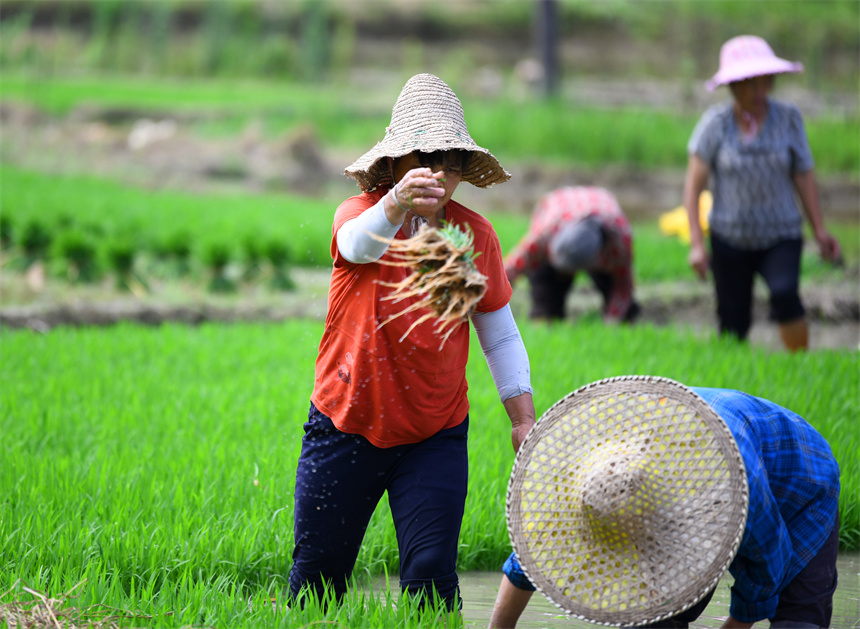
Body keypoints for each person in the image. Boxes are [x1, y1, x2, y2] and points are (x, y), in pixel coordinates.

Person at [288, 73, 537, 612]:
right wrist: (397, 204)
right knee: (316, 581)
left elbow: (498, 330)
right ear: (397, 164)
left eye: (450, 163)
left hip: (434, 432)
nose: (439, 175)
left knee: (429, 579)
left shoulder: (474, 236)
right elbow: (357, 248)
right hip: (346, 423)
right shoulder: (361, 215)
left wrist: (522, 418)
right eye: (426, 160)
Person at [488, 378, 840, 629]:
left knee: (798, 620)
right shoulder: (601, 475)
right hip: (680, 498)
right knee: (648, 615)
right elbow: (529, 563)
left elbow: (769, 562)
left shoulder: (727, 481)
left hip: (800, 486)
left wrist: (735, 623)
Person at [683, 35, 842, 351]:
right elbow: (693, 188)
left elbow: (804, 176)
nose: (760, 92)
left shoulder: (788, 118)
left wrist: (819, 230)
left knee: (785, 295)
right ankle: (733, 387)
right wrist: (697, 245)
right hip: (729, 239)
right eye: (751, 84)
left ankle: (801, 366)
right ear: (734, 86)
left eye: (766, 82)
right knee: (732, 320)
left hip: (780, 234)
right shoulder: (715, 125)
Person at [504, 186, 639, 324]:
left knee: (621, 306)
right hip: (559, 211)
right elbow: (512, 268)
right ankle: (546, 319)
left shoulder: (619, 243)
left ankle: (625, 321)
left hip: (603, 229)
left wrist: (613, 325)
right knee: (545, 288)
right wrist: (492, 299)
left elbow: (623, 285)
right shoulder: (545, 234)